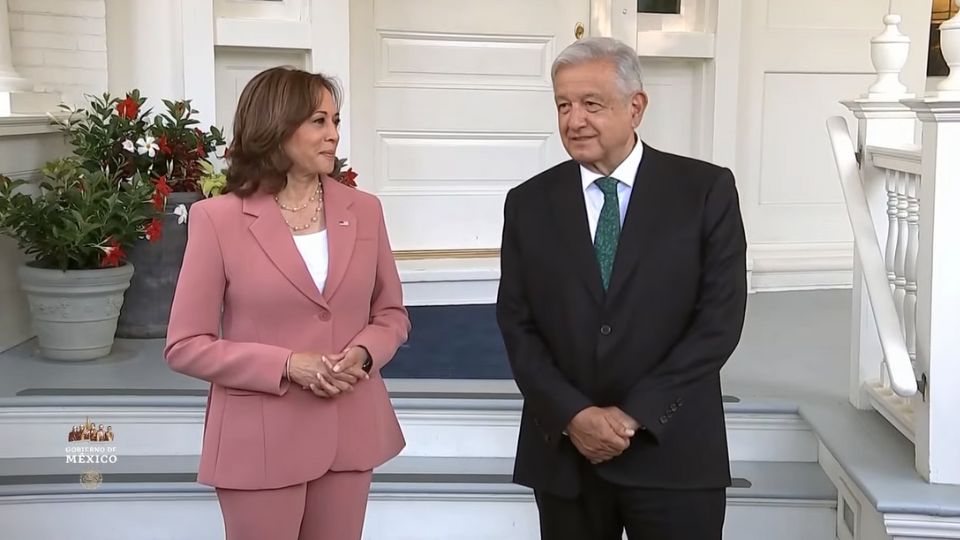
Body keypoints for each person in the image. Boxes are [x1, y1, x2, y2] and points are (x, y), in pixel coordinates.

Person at [496, 37, 747, 540]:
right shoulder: (527, 203)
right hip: (567, 460)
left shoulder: (705, 191)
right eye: (563, 105)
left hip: (673, 453)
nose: (574, 120)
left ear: (636, 107)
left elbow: (718, 322)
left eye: (592, 104)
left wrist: (634, 416)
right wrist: (574, 416)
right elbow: (517, 324)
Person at [164, 66, 410, 540]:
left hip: (350, 430)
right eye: (319, 121)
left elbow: (391, 314)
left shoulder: (365, 210)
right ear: (276, 126)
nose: (333, 135)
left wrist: (362, 354)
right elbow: (185, 345)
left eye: (336, 121)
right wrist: (287, 364)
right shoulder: (216, 219)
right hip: (259, 439)